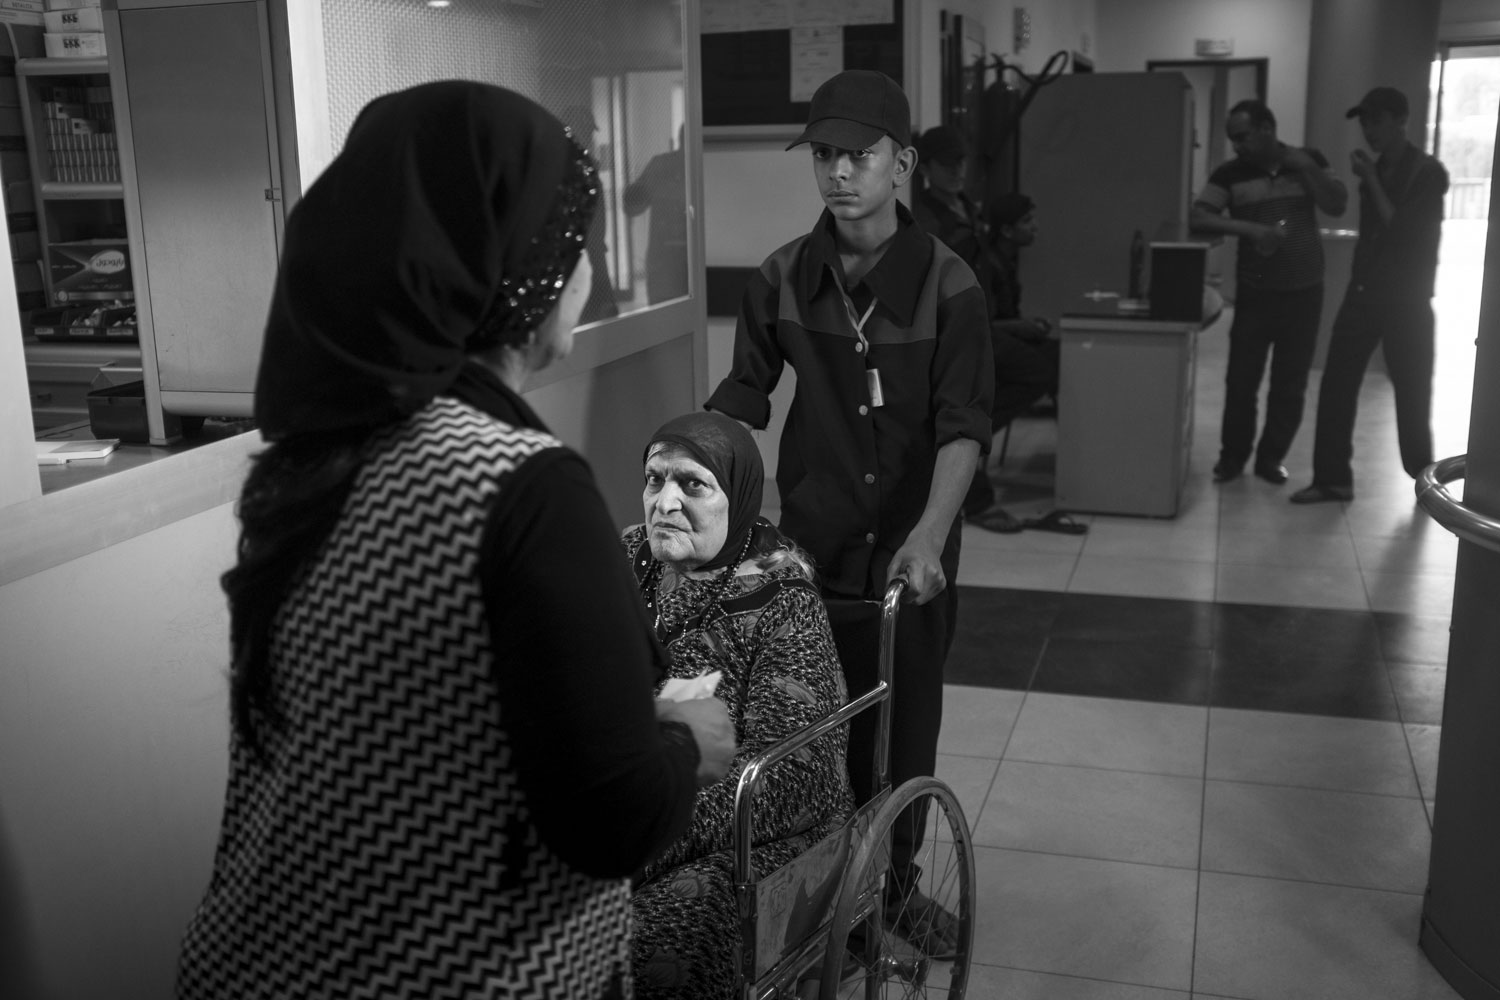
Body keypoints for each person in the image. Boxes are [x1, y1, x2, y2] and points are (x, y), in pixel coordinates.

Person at [174, 82, 736, 1000]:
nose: (587, 269)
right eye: (572, 245)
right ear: (516, 272)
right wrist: (686, 746)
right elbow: (609, 818)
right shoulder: (522, 487)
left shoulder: (313, 457)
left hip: (253, 960)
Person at [705, 69, 993, 949]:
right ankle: (832, 897)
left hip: (913, 553)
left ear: (901, 163)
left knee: (903, 730)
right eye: (823, 155)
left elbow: (964, 429)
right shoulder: (783, 277)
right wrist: (687, 471)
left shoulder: (951, 287)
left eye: (858, 156)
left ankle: (898, 886)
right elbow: (742, 398)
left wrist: (930, 536)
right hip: (812, 551)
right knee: (812, 728)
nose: (838, 173)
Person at [624, 411, 854, 999]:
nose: (666, 502)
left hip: (754, 826)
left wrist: (653, 826)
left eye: (693, 485)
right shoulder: (627, 558)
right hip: (630, 792)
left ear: (740, 496)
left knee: (667, 930)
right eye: (655, 480)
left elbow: (796, 776)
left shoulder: (782, 598)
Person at [1292, 86, 1450, 503]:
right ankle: (1332, 479)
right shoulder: (1375, 170)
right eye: (1364, 122)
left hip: (1409, 302)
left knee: (1413, 393)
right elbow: (1372, 238)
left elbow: (1402, 233)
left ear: (1401, 120)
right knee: (1337, 386)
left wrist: (1371, 180)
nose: (1368, 130)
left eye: (1376, 121)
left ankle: (1424, 483)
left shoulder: (1428, 173)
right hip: (1364, 294)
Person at [1191, 99, 1348, 486]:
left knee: (1290, 384)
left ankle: (1270, 459)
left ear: (1267, 128)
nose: (1237, 146)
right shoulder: (1230, 174)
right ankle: (1232, 460)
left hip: (1305, 293)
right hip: (1256, 294)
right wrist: (1252, 230)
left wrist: (1308, 167)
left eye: (1242, 136)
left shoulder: (1308, 160)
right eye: (1232, 139)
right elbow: (1198, 217)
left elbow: (1337, 204)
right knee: (1242, 381)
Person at [911, 129, 1060, 532]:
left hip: (980, 321)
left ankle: (968, 454)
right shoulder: (921, 215)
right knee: (971, 404)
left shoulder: (965, 207)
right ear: (925, 168)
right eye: (948, 164)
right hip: (947, 327)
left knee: (1044, 365)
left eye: (962, 162)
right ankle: (974, 493)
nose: (958, 171)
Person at [624, 124, 690, 304]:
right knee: (665, 321)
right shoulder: (660, 167)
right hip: (664, 266)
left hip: (690, 263)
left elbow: (632, 208)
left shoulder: (703, 166)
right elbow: (633, 207)